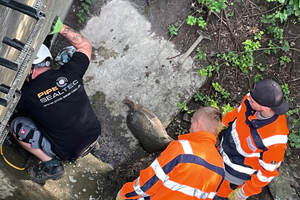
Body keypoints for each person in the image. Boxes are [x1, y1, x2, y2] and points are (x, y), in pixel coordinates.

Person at [9, 16, 101, 184]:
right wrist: (60, 28)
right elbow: (85, 46)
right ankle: (90, 144)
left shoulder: (28, 94)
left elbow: (8, 100)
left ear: (30, 68)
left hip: (70, 151)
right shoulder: (69, 73)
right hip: (94, 135)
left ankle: (52, 164)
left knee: (16, 126)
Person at [117, 106, 225, 200]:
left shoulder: (181, 149)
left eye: (192, 122)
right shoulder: (220, 168)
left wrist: (125, 193)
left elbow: (149, 183)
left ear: (199, 124)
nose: (190, 128)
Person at [213, 79, 289, 200]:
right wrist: (218, 126)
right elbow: (238, 113)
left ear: (266, 108)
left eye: (252, 100)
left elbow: (267, 173)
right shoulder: (252, 100)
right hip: (221, 153)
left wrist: (242, 193)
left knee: (216, 195)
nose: (248, 98)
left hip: (233, 175)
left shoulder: (274, 140)